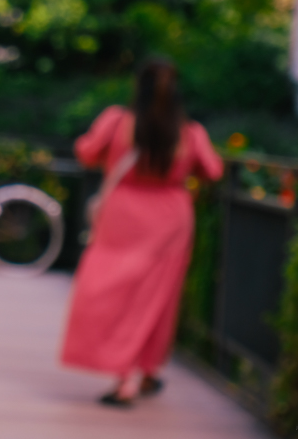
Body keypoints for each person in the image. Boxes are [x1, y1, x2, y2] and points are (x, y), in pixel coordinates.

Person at [60, 59, 223, 407]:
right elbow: (213, 170)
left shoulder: (117, 121)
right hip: (171, 219)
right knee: (157, 297)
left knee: (111, 291)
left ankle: (125, 377)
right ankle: (146, 370)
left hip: (121, 217)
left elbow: (86, 153)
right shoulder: (190, 132)